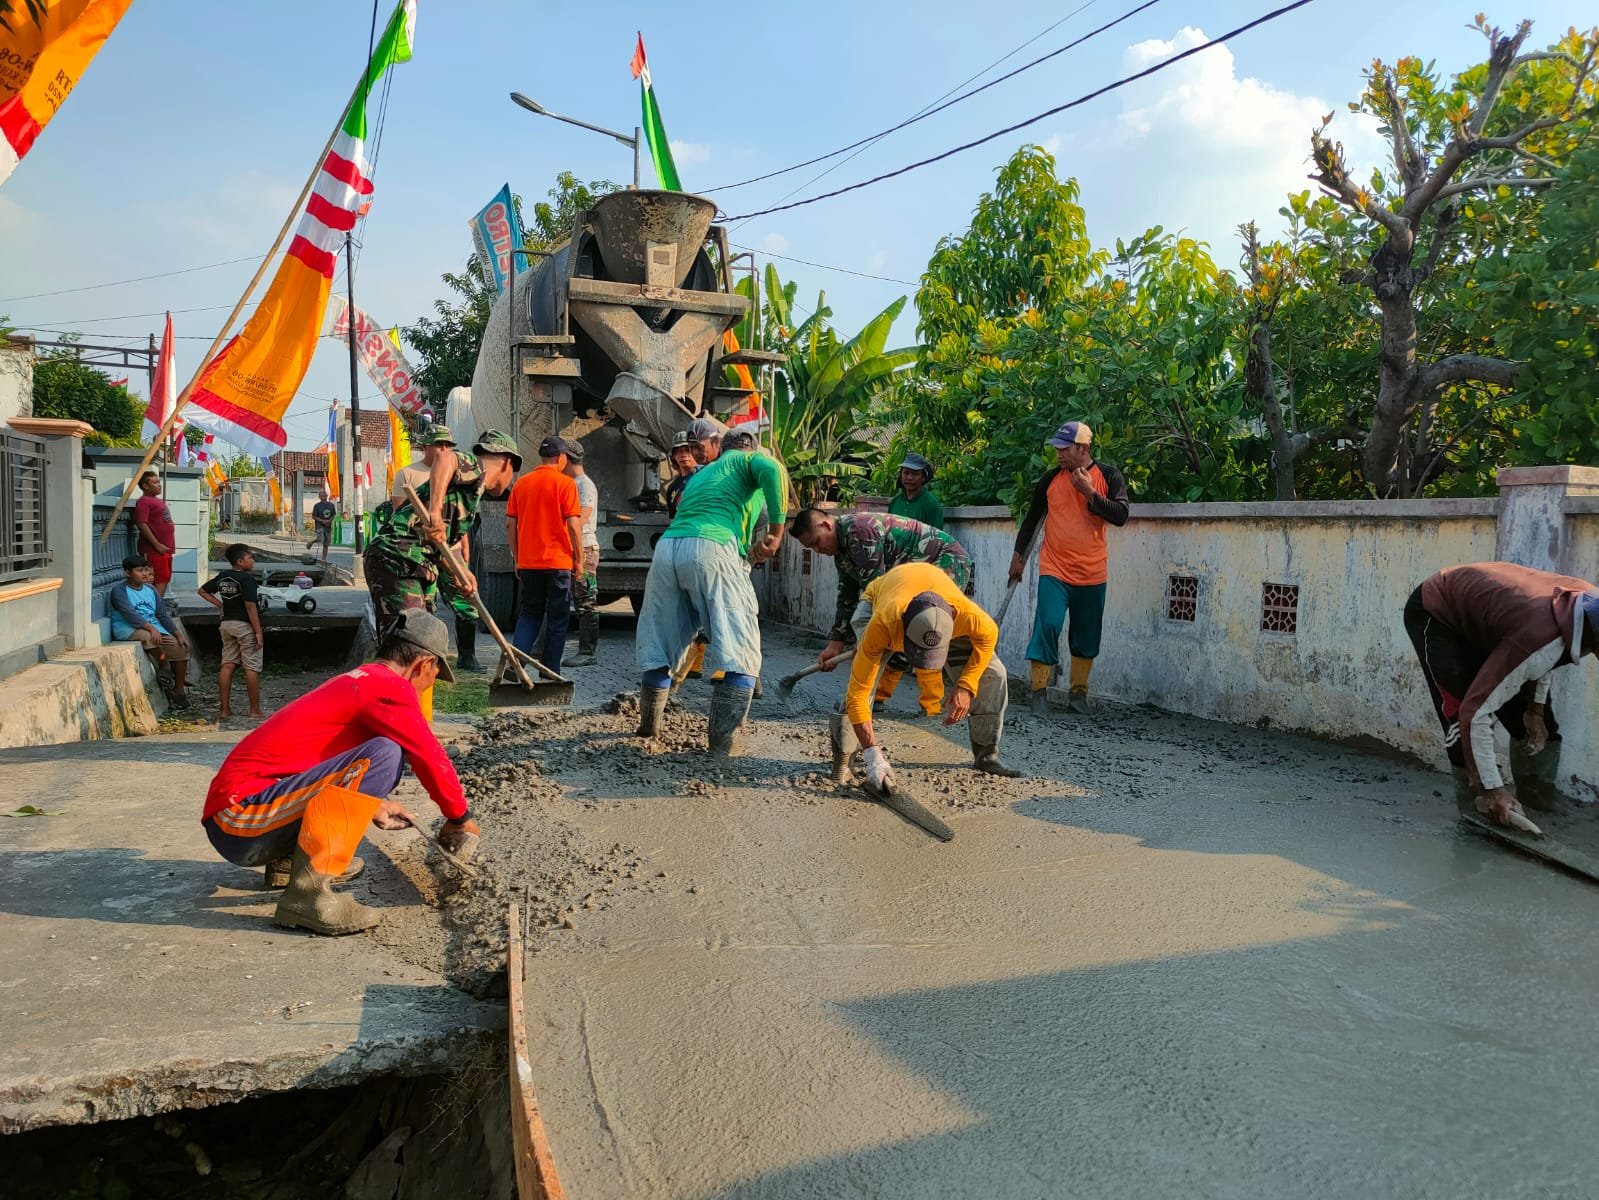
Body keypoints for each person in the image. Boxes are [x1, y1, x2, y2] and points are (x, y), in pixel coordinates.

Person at [202, 613, 480, 935]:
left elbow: (321, 772)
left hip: (244, 813)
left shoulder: (359, 680)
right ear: (423, 664)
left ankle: (290, 864)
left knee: (380, 755)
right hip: (239, 816)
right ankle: (308, 897)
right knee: (387, 753)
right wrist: (460, 818)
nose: (426, 687)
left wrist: (375, 803)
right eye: (433, 676)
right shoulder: (389, 686)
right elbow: (429, 755)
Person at [1405, 563, 1599, 827]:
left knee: (1536, 725)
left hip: (1499, 622)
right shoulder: (1543, 634)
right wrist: (1493, 787)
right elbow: (1475, 711)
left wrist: (1536, 708)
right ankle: (1481, 803)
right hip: (1438, 613)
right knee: (1461, 708)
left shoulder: (1588, 606)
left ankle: (1536, 795)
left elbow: (1547, 655)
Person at [635, 435, 788, 755]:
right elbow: (773, 469)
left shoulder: (704, 473)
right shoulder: (747, 460)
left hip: (669, 549)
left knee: (659, 646)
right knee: (741, 652)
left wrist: (748, 551)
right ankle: (721, 749)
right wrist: (775, 534)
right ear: (749, 447)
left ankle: (649, 727)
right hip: (712, 546)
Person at [830, 562, 1020, 787]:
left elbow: (989, 637)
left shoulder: (969, 616)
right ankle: (844, 760)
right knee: (862, 683)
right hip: (877, 600)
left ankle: (986, 755)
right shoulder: (883, 623)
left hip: (933, 599)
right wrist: (873, 756)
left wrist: (966, 685)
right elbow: (858, 693)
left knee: (994, 673)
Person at [790, 508, 973, 718]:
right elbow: (847, 596)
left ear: (826, 525)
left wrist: (865, 641)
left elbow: (875, 594)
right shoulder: (842, 551)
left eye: (816, 541)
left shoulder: (861, 531)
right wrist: (836, 643)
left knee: (924, 628)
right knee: (895, 632)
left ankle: (933, 707)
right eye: (810, 547)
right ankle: (875, 697)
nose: (817, 549)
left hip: (946, 561)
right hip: (911, 576)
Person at [1010, 420, 1129, 717]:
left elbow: (1121, 515)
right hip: (1054, 568)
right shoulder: (1050, 479)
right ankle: (1038, 692)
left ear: (1083, 448)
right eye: (1057, 448)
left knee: (1086, 634)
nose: (1058, 454)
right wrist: (1018, 556)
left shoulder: (1110, 476)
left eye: (1065, 449)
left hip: (1092, 571)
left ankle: (1078, 695)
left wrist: (1089, 492)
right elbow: (1031, 519)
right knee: (1048, 624)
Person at [507, 436, 583, 675]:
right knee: (558, 618)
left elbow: (510, 524)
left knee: (529, 614)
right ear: (561, 458)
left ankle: (515, 664)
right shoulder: (566, 484)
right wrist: (579, 561)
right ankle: (550, 671)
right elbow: (573, 525)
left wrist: (517, 558)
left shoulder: (522, 483)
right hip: (558, 563)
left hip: (529, 563)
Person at [110, 553, 191, 708]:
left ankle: (179, 691)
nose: (145, 574)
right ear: (128, 573)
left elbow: (162, 614)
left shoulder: (150, 590)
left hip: (154, 627)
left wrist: (177, 633)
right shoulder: (119, 591)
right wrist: (151, 628)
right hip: (128, 628)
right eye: (140, 571)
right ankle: (165, 664)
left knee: (180, 647)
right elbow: (129, 614)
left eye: (146, 570)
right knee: (148, 637)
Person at [199, 543, 265, 719]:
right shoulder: (247, 579)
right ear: (240, 561)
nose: (253, 561)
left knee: (227, 664)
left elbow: (203, 591)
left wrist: (221, 605)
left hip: (226, 625)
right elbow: (250, 606)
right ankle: (254, 710)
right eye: (250, 558)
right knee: (251, 667)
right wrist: (258, 632)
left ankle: (224, 710)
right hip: (244, 626)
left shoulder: (223, 577)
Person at [564, 438, 601, 667]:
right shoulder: (571, 483)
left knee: (586, 600)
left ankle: (588, 652)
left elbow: (582, 517)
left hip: (584, 548)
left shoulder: (584, 485)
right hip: (571, 546)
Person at [133, 471, 178, 598]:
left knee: (164, 579)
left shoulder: (156, 501)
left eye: (159, 482)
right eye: (155, 482)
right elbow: (142, 524)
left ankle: (157, 608)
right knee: (155, 580)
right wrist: (157, 545)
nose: (159, 485)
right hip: (154, 551)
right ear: (145, 486)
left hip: (165, 550)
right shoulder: (144, 502)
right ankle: (153, 609)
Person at [887, 452, 944, 529]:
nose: (909, 477)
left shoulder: (931, 504)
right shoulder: (895, 502)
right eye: (906, 473)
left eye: (915, 474)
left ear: (923, 477)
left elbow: (936, 537)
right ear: (901, 475)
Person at [663, 429, 699, 517]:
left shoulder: (705, 476)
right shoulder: (673, 487)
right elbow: (672, 518)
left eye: (688, 450)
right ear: (673, 456)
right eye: (678, 451)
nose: (683, 454)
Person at [309, 495, 337, 562]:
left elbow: (333, 515)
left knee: (326, 543)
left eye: (324, 495)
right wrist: (322, 521)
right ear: (319, 497)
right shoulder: (317, 506)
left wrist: (329, 520)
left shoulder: (331, 505)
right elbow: (313, 516)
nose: (323, 497)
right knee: (320, 538)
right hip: (319, 525)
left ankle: (324, 559)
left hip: (328, 526)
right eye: (321, 496)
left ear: (326, 496)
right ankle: (312, 542)